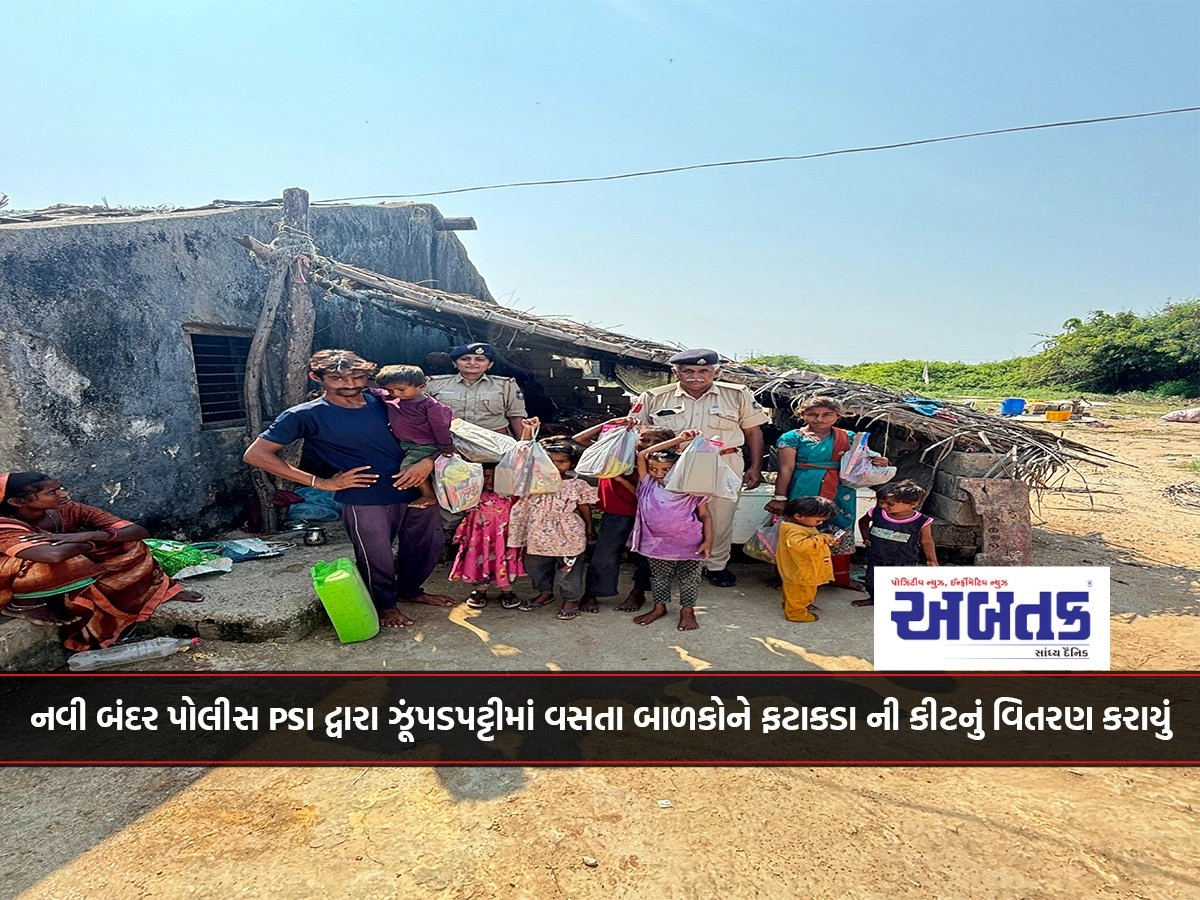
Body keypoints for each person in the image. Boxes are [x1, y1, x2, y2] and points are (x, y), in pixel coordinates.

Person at [243, 349, 455, 629]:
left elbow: (431, 434)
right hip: (365, 495)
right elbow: (256, 455)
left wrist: (427, 461)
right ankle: (384, 606)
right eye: (336, 378)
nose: (350, 384)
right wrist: (323, 483)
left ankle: (410, 591)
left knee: (425, 546)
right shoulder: (305, 415)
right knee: (375, 555)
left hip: (416, 488)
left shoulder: (389, 402)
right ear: (315, 377)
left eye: (358, 377)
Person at [0, 472, 202, 650]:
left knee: (129, 545)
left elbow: (138, 531)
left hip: (61, 563)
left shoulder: (68, 509)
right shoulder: (5, 524)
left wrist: (86, 537)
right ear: (18, 502)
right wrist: (89, 543)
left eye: (60, 488)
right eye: (52, 493)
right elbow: (52, 556)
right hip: (11, 581)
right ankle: (22, 605)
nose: (64, 494)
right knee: (69, 561)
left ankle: (155, 591)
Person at [629, 349, 767, 588]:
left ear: (717, 372)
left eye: (704, 370)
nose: (696, 376)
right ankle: (666, 564)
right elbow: (639, 434)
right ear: (676, 372)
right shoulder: (654, 396)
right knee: (670, 516)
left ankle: (715, 565)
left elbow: (753, 431)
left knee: (719, 516)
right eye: (688, 371)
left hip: (721, 462)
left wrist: (755, 466)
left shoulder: (737, 395)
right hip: (669, 465)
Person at [765, 395, 890, 591]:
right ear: (802, 414)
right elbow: (786, 469)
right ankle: (787, 576)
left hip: (840, 490)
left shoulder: (848, 437)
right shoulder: (792, 438)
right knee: (798, 530)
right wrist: (779, 499)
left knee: (840, 527)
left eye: (827, 415)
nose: (819, 419)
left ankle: (840, 578)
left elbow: (860, 460)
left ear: (838, 416)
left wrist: (879, 462)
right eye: (813, 414)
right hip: (803, 488)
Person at [572, 418, 675, 613]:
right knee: (604, 554)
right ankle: (592, 592)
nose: (649, 445)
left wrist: (619, 479)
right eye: (644, 439)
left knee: (647, 557)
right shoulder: (618, 454)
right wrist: (613, 423)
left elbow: (647, 493)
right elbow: (579, 439)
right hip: (616, 511)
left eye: (657, 441)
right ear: (635, 438)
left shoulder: (660, 465)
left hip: (647, 515)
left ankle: (638, 592)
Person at [505, 419, 598, 619]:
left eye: (561, 462)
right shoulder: (530, 480)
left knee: (570, 566)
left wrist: (589, 527)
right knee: (535, 565)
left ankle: (570, 598)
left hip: (568, 533)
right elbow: (521, 455)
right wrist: (529, 431)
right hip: (537, 533)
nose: (555, 466)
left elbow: (584, 506)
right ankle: (544, 592)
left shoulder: (577, 484)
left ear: (572, 463)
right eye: (550, 461)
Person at [628, 430, 714, 631]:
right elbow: (642, 455)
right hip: (656, 544)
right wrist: (680, 440)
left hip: (689, 543)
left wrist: (708, 541)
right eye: (653, 469)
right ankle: (659, 608)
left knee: (689, 579)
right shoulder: (647, 483)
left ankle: (688, 611)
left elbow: (705, 516)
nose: (658, 474)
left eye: (665, 470)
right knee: (658, 577)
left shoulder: (691, 489)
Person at [373, 364, 456, 509]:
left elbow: (441, 428)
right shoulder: (394, 398)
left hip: (425, 444)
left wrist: (446, 448)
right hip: (404, 443)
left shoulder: (431, 406)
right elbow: (378, 391)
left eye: (401, 390)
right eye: (390, 390)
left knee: (409, 468)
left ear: (421, 386)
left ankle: (428, 494)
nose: (395, 393)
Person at [449, 464, 525, 610]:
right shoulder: (473, 495)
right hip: (478, 538)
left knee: (505, 560)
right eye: (485, 476)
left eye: (495, 477)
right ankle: (480, 591)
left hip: (504, 538)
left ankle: (507, 591)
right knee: (478, 560)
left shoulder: (511, 495)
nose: (489, 480)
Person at [854, 479, 938, 608]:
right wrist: (865, 537)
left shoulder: (922, 521)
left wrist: (931, 560)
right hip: (877, 556)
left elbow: (926, 540)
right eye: (881, 502)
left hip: (905, 559)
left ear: (912, 504)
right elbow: (863, 522)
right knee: (872, 580)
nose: (883, 506)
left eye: (890, 504)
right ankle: (874, 598)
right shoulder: (876, 512)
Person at [426, 342, 528, 437]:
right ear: (454, 363)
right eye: (465, 359)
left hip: (494, 445)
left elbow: (516, 416)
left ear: (490, 364)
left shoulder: (506, 385)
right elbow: (419, 414)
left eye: (480, 359)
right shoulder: (433, 384)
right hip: (448, 442)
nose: (472, 363)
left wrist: (524, 444)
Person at [775, 496, 840, 623]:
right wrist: (823, 538)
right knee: (802, 592)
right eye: (818, 521)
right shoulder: (794, 530)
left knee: (794, 592)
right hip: (802, 570)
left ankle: (792, 605)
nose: (820, 524)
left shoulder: (797, 525)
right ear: (799, 516)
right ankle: (796, 614)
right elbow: (800, 545)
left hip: (797, 569)